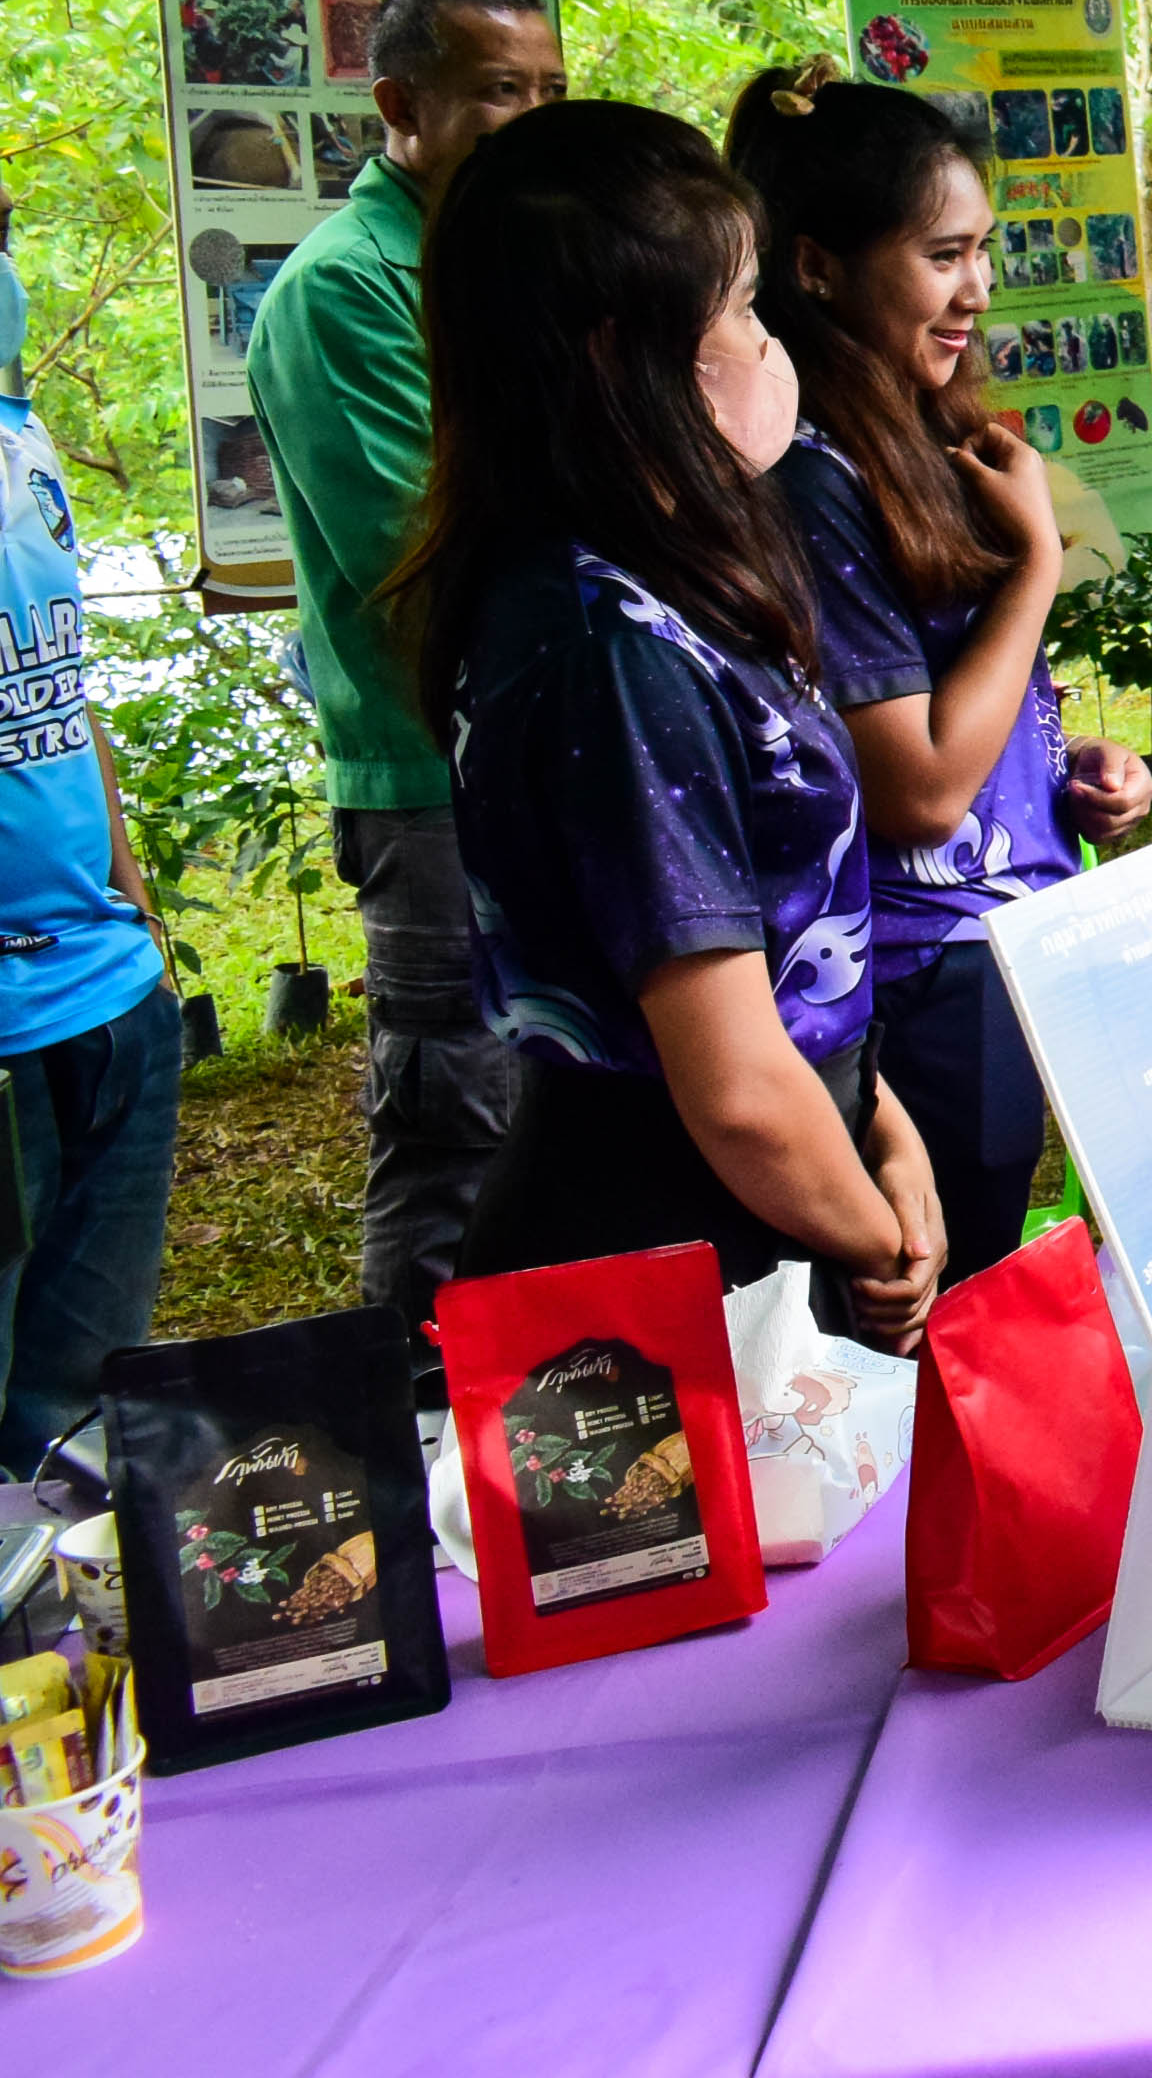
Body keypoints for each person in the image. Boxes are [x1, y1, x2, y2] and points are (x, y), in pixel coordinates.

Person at [391, 99, 935, 1342]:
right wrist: (883, 1233)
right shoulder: (609, 649)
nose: (769, 339)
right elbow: (737, 1090)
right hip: (677, 1271)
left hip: (789, 1197)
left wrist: (880, 1128)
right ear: (615, 355)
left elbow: (788, 942)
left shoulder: (663, 584)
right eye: (739, 307)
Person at [729, 65, 1152, 1284]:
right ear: (815, 268)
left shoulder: (916, 436)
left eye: (983, 251)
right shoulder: (818, 479)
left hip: (997, 943)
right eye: (941, 256)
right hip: (918, 973)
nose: (977, 290)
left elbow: (946, 705)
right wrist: (1032, 569)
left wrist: (1059, 769)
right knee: (946, 1311)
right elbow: (913, 790)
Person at [245, 0, 561, 1347]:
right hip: (437, 776)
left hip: (552, 743)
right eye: (503, 94)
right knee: (456, 1125)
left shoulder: (522, 264)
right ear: (401, 105)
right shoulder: (342, 294)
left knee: (560, 1105)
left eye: (552, 92)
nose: (535, 120)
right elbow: (428, 557)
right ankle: (420, 1427)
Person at [0, 90, 177, 1473]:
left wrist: (134, 901)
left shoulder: (14, 440)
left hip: (110, 999)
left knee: (77, 1395)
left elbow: (63, 692)